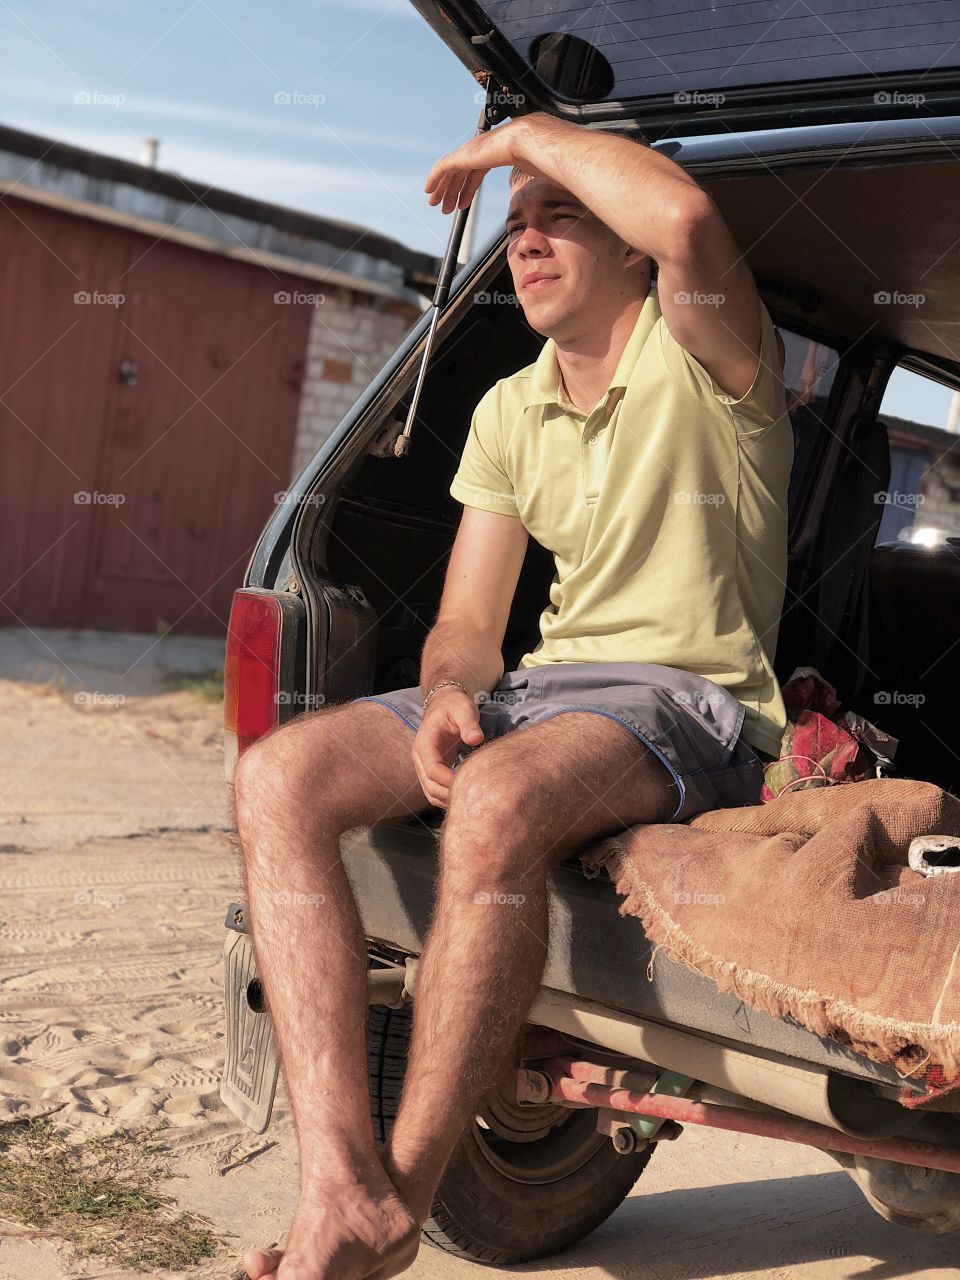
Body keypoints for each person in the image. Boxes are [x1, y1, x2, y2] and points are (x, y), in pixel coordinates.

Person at [235, 112, 793, 1280]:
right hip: (545, 690)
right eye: (515, 222)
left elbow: (689, 214)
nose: (526, 241)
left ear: (628, 246)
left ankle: (402, 1197)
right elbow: (468, 628)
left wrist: (521, 132)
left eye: (559, 216)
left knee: (491, 800)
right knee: (276, 776)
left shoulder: (710, 355)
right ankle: (337, 1184)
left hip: (689, 701)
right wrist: (447, 692)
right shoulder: (505, 408)